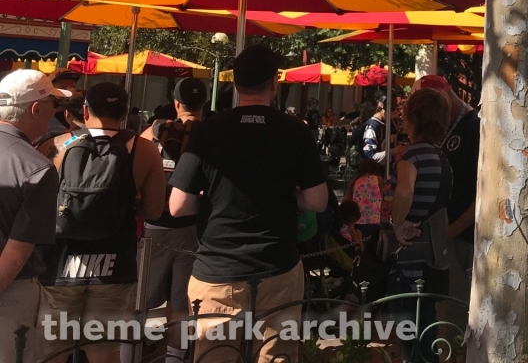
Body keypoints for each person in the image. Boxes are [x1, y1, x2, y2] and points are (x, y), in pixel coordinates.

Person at [168, 45, 328, 363]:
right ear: (274, 83)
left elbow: (178, 205)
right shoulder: (295, 131)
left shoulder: (208, 130)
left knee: (214, 356)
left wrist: (217, 201)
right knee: (277, 357)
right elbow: (317, 201)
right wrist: (287, 198)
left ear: (236, 83)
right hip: (278, 267)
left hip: (217, 270)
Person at [39, 82, 165, 363]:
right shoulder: (144, 150)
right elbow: (154, 210)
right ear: (124, 115)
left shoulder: (58, 145)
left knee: (53, 349)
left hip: (60, 264)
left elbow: (39, 204)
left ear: (85, 112)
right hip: (115, 264)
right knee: (103, 351)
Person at [139, 77, 207, 363]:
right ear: (204, 104)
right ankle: (174, 357)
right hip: (194, 226)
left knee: (140, 300)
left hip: (154, 225)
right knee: (181, 302)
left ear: (176, 103)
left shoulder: (154, 131)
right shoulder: (211, 134)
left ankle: (131, 352)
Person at [0, 70, 67, 363]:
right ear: (36, 108)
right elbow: (16, 254)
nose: (56, 112)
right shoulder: (36, 167)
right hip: (10, 295)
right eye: (54, 103)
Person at [389, 87, 451, 361]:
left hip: (408, 257)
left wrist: (396, 224)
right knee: (426, 330)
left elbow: (404, 191)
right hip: (432, 257)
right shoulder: (441, 157)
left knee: (409, 334)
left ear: (414, 118)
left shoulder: (411, 154)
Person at [413, 74, 480, 305]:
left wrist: (452, 230)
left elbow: (484, 190)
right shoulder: (443, 127)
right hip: (439, 235)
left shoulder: (474, 128)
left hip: (461, 237)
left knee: (453, 308)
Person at [345, 159, 384, 239]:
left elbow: (346, 200)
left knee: (361, 243)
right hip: (375, 220)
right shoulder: (378, 179)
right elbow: (382, 197)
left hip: (357, 220)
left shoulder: (354, 182)